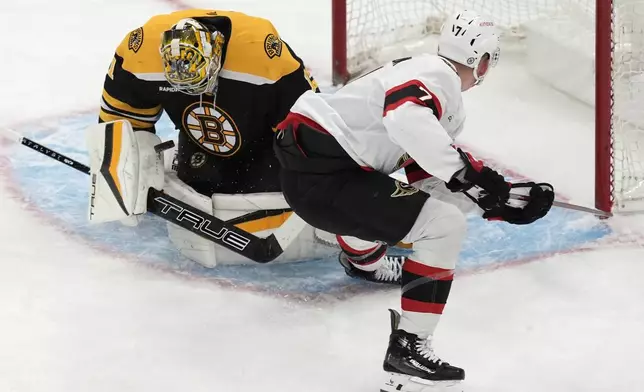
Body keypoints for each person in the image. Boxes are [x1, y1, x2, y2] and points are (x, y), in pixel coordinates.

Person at [274, 10, 554, 391]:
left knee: (415, 209)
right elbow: (406, 119)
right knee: (443, 228)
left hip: (316, 171)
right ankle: (409, 348)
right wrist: (474, 176)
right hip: (324, 176)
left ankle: (364, 262)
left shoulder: (425, 79)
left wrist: (498, 202)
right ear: (482, 60)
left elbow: (428, 181)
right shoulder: (438, 76)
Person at [93, 9, 321, 266]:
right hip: (200, 140)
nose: (192, 92)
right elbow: (119, 121)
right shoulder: (139, 52)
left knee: (272, 191)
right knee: (203, 186)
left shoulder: (264, 57)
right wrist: (126, 177)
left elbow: (311, 126)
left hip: (265, 141)